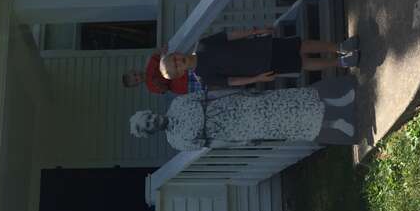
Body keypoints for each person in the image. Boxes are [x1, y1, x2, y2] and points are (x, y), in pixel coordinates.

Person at [128, 77, 359, 149]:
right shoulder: (176, 141)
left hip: (236, 106)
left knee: (284, 103)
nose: (152, 120)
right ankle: (336, 124)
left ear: (150, 112)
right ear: (152, 132)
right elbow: (210, 143)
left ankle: (336, 102)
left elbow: (209, 96)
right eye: (149, 125)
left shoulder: (178, 103)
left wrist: (237, 92)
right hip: (237, 128)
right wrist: (239, 142)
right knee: (287, 124)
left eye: (148, 117)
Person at [159, 29, 359, 88]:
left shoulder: (202, 44)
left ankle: (340, 47)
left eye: (174, 59)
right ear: (180, 74)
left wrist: (257, 31)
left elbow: (230, 35)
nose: (178, 62)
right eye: (175, 67)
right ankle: (340, 62)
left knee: (302, 45)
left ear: (177, 54)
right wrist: (257, 79)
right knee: (303, 63)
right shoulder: (204, 78)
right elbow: (232, 81)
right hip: (260, 67)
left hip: (261, 46)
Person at [122, 48, 206, 95]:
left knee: (204, 69)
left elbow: (162, 53)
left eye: (135, 74)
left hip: (184, 71)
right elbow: (165, 89)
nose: (138, 77)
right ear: (137, 84)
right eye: (136, 80)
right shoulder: (151, 87)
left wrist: (163, 51)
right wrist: (159, 85)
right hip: (183, 85)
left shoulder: (151, 62)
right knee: (207, 85)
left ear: (134, 70)